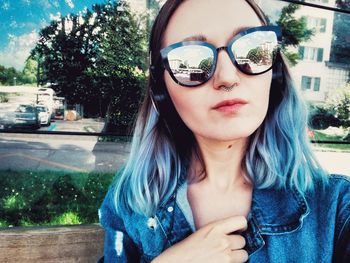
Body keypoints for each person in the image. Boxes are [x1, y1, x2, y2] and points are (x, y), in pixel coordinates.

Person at [99, 0, 350, 262]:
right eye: (190, 61)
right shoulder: (130, 204)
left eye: (253, 49)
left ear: (273, 74)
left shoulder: (336, 208)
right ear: (162, 91)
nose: (227, 78)